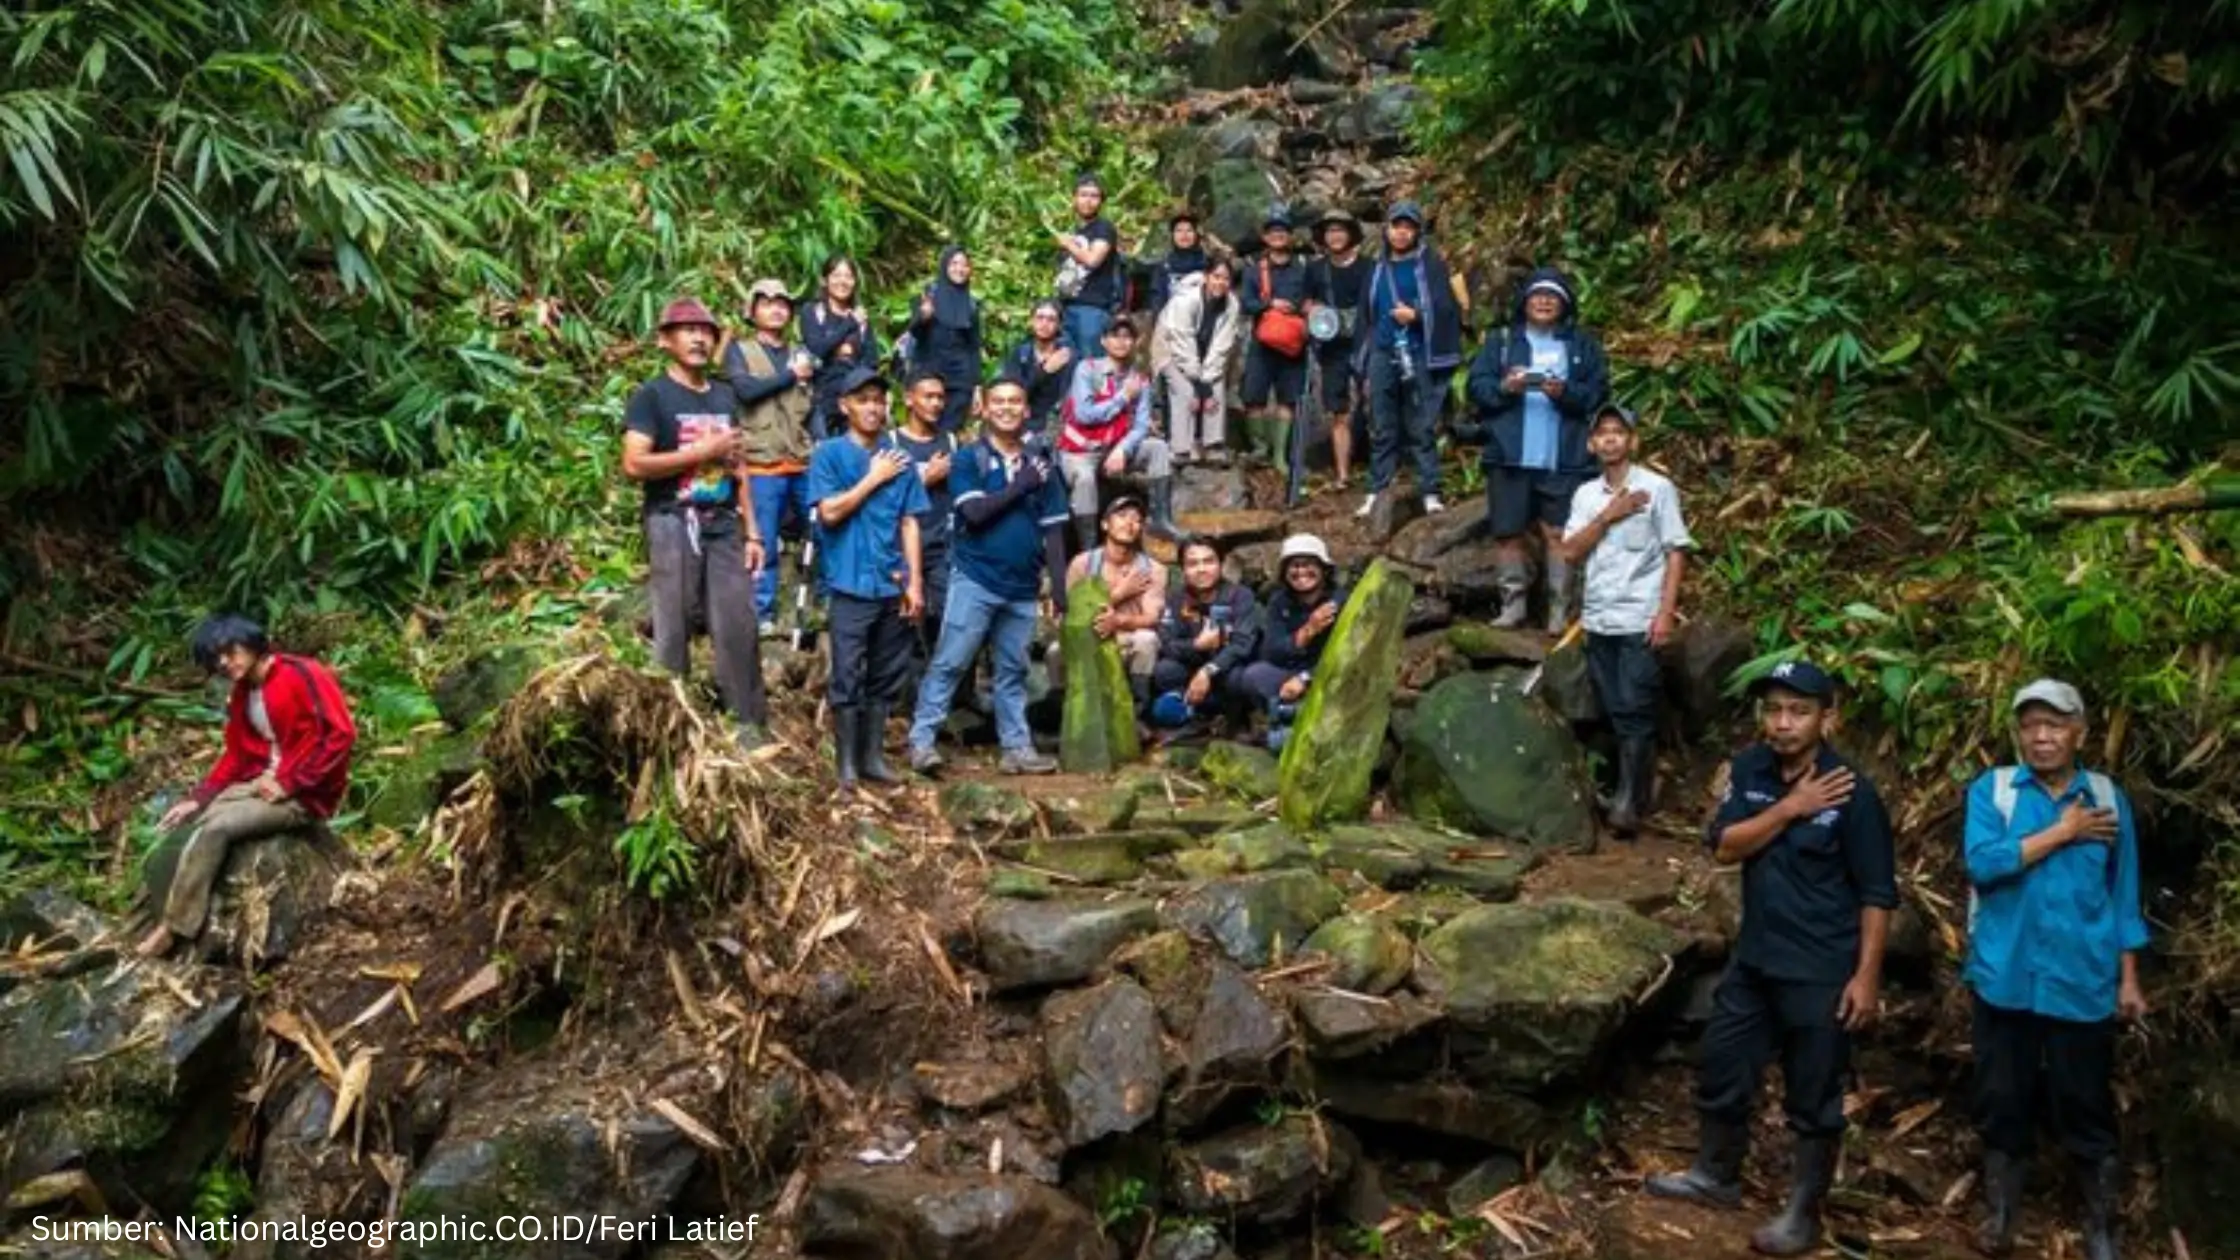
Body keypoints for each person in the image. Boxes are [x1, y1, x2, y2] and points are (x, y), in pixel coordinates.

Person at [1646, 660, 1897, 1259]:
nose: (1783, 723)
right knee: (1723, 1063)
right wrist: (1789, 808)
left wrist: (1866, 976)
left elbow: (1877, 893)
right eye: (1774, 710)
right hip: (1756, 958)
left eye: (1798, 711)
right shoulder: (1754, 769)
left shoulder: (1853, 793)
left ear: (1826, 719)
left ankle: (1803, 1213)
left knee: (1814, 1092)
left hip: (1822, 968)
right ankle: (1716, 1174)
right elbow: (1726, 846)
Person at [1960, 679, 2148, 1260]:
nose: (2042, 737)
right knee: (2003, 1099)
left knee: (2084, 1103)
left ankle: (2101, 1227)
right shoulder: (1995, 793)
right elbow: (1984, 865)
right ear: (2018, 733)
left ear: (2080, 733)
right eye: (2031, 725)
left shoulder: (2108, 800)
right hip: (2005, 978)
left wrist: (2130, 978)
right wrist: (2063, 833)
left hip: (2081, 979)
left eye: (2055, 724)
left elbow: (2123, 896)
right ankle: (2001, 1216)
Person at [136, 616, 356, 958]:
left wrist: (290, 783)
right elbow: (237, 755)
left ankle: (173, 928)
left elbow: (340, 735)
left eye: (229, 651)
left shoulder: (302, 672)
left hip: (302, 795)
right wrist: (197, 799)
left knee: (219, 828)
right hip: (262, 782)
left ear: (252, 643)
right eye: (216, 659)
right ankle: (155, 907)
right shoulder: (243, 694)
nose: (224, 663)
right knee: (200, 818)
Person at [621, 297, 770, 749]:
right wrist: (702, 453)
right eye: (687, 330)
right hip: (671, 518)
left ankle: (746, 725)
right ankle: (670, 729)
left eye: (706, 330)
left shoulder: (724, 395)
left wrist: (753, 530)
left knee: (738, 621)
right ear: (666, 340)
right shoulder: (651, 396)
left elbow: (738, 465)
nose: (699, 337)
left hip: (723, 520)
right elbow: (634, 464)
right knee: (675, 621)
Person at [908, 374, 1066, 776]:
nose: (1008, 408)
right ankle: (921, 742)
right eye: (999, 401)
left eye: (1016, 401)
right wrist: (1021, 485)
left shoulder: (1042, 466)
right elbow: (974, 514)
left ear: (1027, 409)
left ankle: (1017, 748)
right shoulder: (969, 459)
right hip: (975, 578)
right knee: (951, 661)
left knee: (1012, 669)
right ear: (984, 407)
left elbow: (1053, 530)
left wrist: (1060, 592)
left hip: (1023, 586)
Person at [1555, 403, 1694, 837]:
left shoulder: (1658, 488)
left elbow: (1676, 551)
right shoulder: (1585, 496)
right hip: (1599, 619)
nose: (1611, 439)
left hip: (1640, 616)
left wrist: (1665, 613)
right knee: (1614, 708)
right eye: (1603, 433)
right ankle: (1633, 792)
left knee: (1634, 708)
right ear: (1593, 444)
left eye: (1619, 432)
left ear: (1632, 441)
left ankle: (1629, 805)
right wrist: (1609, 515)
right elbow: (1571, 551)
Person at [1463, 265, 1609, 630]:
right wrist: (1505, 388)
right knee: (1508, 531)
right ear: (1524, 303)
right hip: (1509, 454)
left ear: (1565, 304)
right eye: (1537, 295)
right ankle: (1513, 607)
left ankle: (1559, 610)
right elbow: (1476, 387)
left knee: (1559, 533)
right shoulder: (1501, 343)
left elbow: (1597, 395)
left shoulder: (1581, 346)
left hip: (1565, 455)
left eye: (1553, 296)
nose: (1544, 302)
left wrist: (1565, 393)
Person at [808, 365, 927, 795]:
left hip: (891, 582)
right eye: (863, 400)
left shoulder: (902, 460)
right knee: (847, 673)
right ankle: (846, 766)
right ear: (845, 406)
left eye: (878, 400)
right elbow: (829, 512)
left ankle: (872, 757)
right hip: (848, 583)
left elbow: (910, 522)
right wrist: (872, 478)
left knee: (886, 673)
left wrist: (914, 583)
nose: (873, 408)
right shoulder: (829, 455)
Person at [1354, 200, 1464, 520]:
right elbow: (1366, 313)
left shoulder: (1429, 265)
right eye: (1395, 226)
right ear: (1386, 230)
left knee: (1421, 424)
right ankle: (1377, 489)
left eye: (1407, 227)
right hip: (1383, 350)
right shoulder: (1376, 269)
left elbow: (1446, 309)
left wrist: (1416, 315)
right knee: (1382, 423)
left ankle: (1430, 490)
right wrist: (1363, 358)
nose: (1401, 233)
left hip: (1418, 352)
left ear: (1417, 231)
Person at [721, 278, 817, 631]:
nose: (776, 309)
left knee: (822, 528)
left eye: (782, 303)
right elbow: (745, 391)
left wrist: (818, 439)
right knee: (763, 539)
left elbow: (813, 404)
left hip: (801, 458)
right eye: (767, 303)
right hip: (761, 461)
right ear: (753, 311)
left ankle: (821, 604)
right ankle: (762, 614)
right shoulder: (740, 351)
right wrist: (790, 376)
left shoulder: (801, 353)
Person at [1055, 316, 1179, 546]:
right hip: (1080, 450)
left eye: (1127, 337)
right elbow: (1084, 414)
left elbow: (1142, 425)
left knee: (1158, 448)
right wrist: (1122, 397)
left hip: (1114, 447)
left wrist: (1123, 448)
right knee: (1084, 480)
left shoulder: (1139, 379)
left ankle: (1161, 520)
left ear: (1134, 342)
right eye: (1115, 336)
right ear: (1104, 341)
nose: (1122, 342)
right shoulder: (1087, 369)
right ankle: (1088, 544)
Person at [1236, 533, 1346, 749]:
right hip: (1289, 672)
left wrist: (1306, 679)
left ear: (1324, 569)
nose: (1301, 572)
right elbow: (1271, 652)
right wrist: (1306, 631)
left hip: (1327, 674)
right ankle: (1287, 719)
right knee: (1253, 676)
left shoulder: (1339, 602)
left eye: (1309, 565)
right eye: (1294, 566)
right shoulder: (1280, 601)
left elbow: (1345, 654)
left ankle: (1303, 721)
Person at [1062, 494, 1168, 716]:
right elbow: (1073, 615)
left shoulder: (1153, 569)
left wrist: (1117, 621)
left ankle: (1138, 713)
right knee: (1055, 651)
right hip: (1089, 637)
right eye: (1121, 516)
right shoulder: (1083, 564)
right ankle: (1066, 715)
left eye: (1137, 519)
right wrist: (1120, 593)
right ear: (1104, 524)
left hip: (1127, 639)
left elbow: (1151, 618)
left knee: (1147, 639)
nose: (1130, 523)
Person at [889, 371, 959, 672]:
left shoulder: (951, 441)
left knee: (946, 619)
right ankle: (907, 701)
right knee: (906, 620)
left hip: (944, 544)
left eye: (940, 397)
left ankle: (949, 697)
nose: (935, 403)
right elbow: (883, 495)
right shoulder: (891, 441)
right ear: (909, 399)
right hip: (902, 545)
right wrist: (925, 478)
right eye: (928, 396)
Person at [1151, 537, 1260, 730]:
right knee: (1164, 671)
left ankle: (1230, 716)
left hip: (1226, 671)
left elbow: (1242, 645)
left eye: (1209, 561)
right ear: (1183, 569)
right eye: (1193, 563)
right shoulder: (1176, 598)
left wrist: (1208, 671)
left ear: (1220, 564)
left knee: (1238, 678)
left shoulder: (1240, 596)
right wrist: (1196, 645)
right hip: (1191, 668)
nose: (1201, 569)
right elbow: (1167, 642)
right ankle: (1199, 711)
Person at [1238, 209, 1310, 471]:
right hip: (1263, 342)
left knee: (1288, 399)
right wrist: (1269, 304)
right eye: (1273, 232)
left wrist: (1299, 308)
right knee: (1253, 396)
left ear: (1290, 236)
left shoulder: (1303, 269)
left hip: (1293, 346)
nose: (1278, 236)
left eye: (1282, 231)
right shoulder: (1254, 270)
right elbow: (1246, 303)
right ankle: (1261, 448)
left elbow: (1312, 301)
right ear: (1265, 237)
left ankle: (1281, 455)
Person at [1155, 258, 1241, 465]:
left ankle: (1213, 444)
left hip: (1205, 353)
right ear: (1206, 277)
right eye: (1216, 277)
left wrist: (1208, 383)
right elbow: (1182, 344)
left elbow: (1221, 347)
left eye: (1226, 279)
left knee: (1216, 383)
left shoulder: (1232, 305)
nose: (1220, 283)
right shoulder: (1185, 300)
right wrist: (1199, 385)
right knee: (1185, 390)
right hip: (1170, 349)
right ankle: (1181, 448)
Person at [1306, 208, 1369, 489]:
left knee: (1374, 401)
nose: (1335, 236)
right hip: (1331, 346)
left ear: (1351, 234)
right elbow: (1305, 301)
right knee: (1337, 410)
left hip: (1365, 342)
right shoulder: (1316, 269)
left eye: (1340, 230)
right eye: (1330, 231)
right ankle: (1342, 474)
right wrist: (1314, 309)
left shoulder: (1369, 266)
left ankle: (1379, 468)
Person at [800, 255, 880, 441]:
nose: (842, 281)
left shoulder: (861, 318)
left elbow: (871, 360)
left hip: (854, 399)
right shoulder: (812, 311)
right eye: (836, 275)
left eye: (848, 276)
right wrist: (849, 323)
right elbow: (816, 349)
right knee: (824, 456)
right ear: (825, 280)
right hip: (820, 398)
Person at [908, 246, 984, 434]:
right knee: (925, 430)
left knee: (949, 433)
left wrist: (977, 387)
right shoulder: (928, 296)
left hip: (960, 380)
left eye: (965, 265)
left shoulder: (971, 304)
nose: (960, 269)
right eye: (954, 263)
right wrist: (923, 317)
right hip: (930, 374)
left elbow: (973, 347)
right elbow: (916, 334)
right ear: (944, 266)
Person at [1054, 172, 1123, 356]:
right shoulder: (1076, 230)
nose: (1088, 201)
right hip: (1067, 306)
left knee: (1091, 365)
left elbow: (1093, 260)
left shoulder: (1104, 228)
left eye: (1094, 196)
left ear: (1101, 201)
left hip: (1092, 309)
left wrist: (1069, 244)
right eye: (1083, 195)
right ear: (1074, 198)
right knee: (1069, 366)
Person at [1004, 299, 1078, 439]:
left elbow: (1068, 399)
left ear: (1059, 325)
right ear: (1031, 321)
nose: (1044, 324)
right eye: (1040, 318)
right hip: (1021, 421)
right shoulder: (1020, 353)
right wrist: (1044, 371)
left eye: (1051, 319)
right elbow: (1013, 394)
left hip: (1054, 425)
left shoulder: (1067, 356)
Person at [1147, 211, 1209, 317]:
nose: (1184, 235)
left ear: (1196, 234)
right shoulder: (1164, 266)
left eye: (1189, 230)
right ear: (1172, 235)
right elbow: (1157, 299)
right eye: (1179, 230)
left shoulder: (1207, 264)